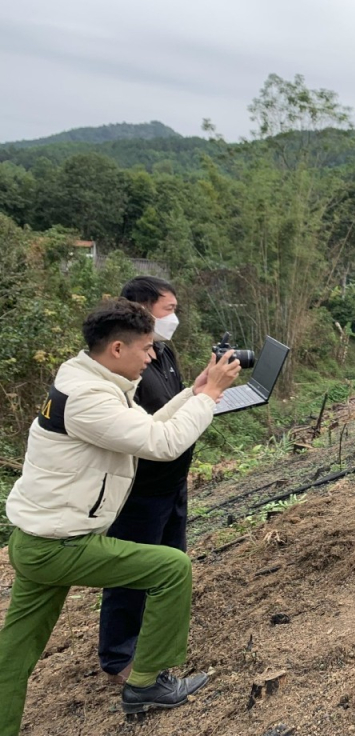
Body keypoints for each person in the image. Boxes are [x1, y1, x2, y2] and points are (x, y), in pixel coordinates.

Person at [0, 299, 240, 734]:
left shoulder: (90, 381)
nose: (152, 357)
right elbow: (164, 444)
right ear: (116, 348)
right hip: (60, 544)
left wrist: (195, 391)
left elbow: (147, 426)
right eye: (146, 348)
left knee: (13, 655)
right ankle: (146, 682)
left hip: (38, 540)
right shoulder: (89, 398)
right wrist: (209, 396)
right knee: (171, 567)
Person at [98, 276, 190, 685]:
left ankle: (154, 643)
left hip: (173, 481)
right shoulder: (122, 370)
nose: (174, 319)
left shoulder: (164, 354)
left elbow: (177, 402)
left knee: (170, 563)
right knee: (130, 577)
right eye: (169, 310)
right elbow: (151, 430)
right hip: (139, 489)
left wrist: (203, 394)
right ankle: (119, 659)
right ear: (141, 307)